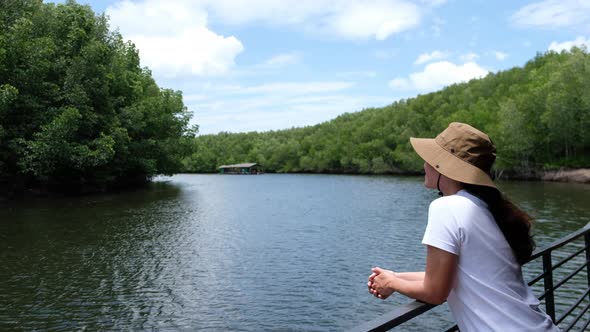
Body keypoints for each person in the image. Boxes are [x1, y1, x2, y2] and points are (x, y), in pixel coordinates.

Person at [367, 122, 559, 331]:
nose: (424, 164)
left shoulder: (447, 206)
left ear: (444, 166)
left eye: (430, 158)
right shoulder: (486, 208)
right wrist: (393, 277)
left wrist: (393, 284)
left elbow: (435, 292)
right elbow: (452, 277)